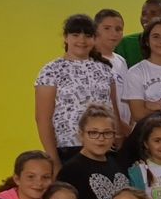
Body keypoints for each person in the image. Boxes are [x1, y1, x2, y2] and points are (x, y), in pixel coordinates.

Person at [36, 14, 118, 169]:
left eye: (88, 36)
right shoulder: (51, 71)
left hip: (104, 147)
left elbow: (113, 111)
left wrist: (117, 140)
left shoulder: (105, 69)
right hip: (68, 148)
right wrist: (54, 160)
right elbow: (43, 119)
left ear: (94, 39)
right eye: (75, 35)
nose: (82, 40)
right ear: (66, 38)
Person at [57, 105, 129, 199]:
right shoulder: (71, 170)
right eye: (93, 133)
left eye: (107, 133)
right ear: (81, 135)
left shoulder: (118, 162)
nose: (101, 139)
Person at [93, 8, 134, 130]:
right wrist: (117, 124)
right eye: (107, 28)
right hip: (102, 130)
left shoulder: (120, 60)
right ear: (95, 30)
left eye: (118, 29)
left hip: (125, 129)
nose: (114, 33)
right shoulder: (89, 60)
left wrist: (130, 124)